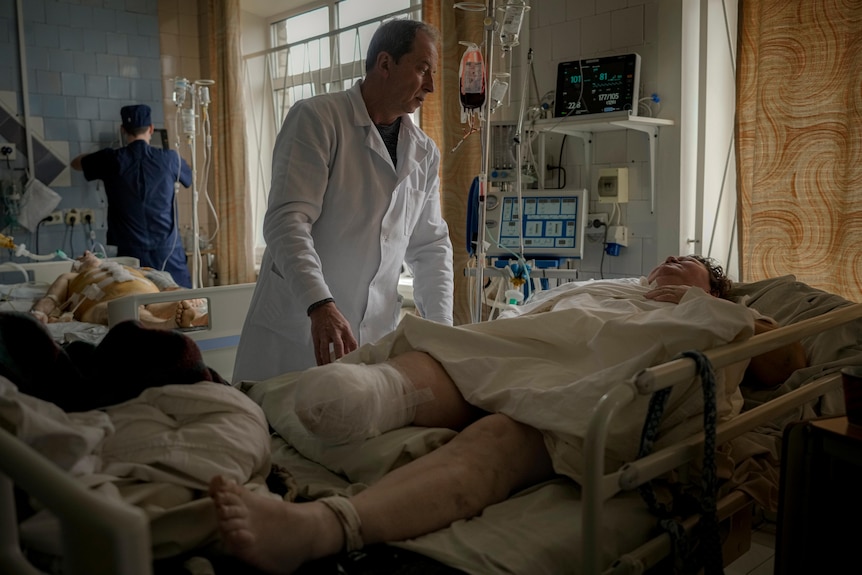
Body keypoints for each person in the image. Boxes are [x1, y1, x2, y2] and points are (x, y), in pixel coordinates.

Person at [209, 255, 807, 574]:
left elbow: (785, 359)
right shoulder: (605, 287)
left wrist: (703, 303)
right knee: (408, 374)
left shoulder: (714, 314)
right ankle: (377, 393)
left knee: (498, 437)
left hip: (579, 384)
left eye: (690, 260)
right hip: (522, 353)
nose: (674, 258)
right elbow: (529, 327)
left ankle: (323, 529)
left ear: (715, 289)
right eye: (669, 257)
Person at [232, 19, 454, 383]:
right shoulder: (317, 119)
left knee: (353, 431)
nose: (430, 85)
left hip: (370, 341)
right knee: (273, 431)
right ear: (385, 64)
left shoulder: (424, 153)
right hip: (298, 335)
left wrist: (442, 333)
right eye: (422, 69)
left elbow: (429, 246)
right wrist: (319, 303)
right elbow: (287, 220)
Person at [71, 104, 193, 288]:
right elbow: (188, 178)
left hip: (131, 254)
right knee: (182, 302)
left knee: (138, 304)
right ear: (151, 128)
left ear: (123, 130)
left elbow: (76, 163)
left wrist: (96, 157)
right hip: (168, 252)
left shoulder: (111, 159)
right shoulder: (169, 159)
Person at [29, 251, 206, 330]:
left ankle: (197, 319)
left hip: (146, 294)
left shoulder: (129, 268)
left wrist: (173, 291)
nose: (88, 252)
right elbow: (49, 300)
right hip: (105, 303)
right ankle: (165, 326)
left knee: (170, 305)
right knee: (125, 311)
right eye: (83, 257)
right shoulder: (71, 277)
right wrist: (38, 313)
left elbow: (160, 279)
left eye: (91, 253)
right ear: (77, 266)